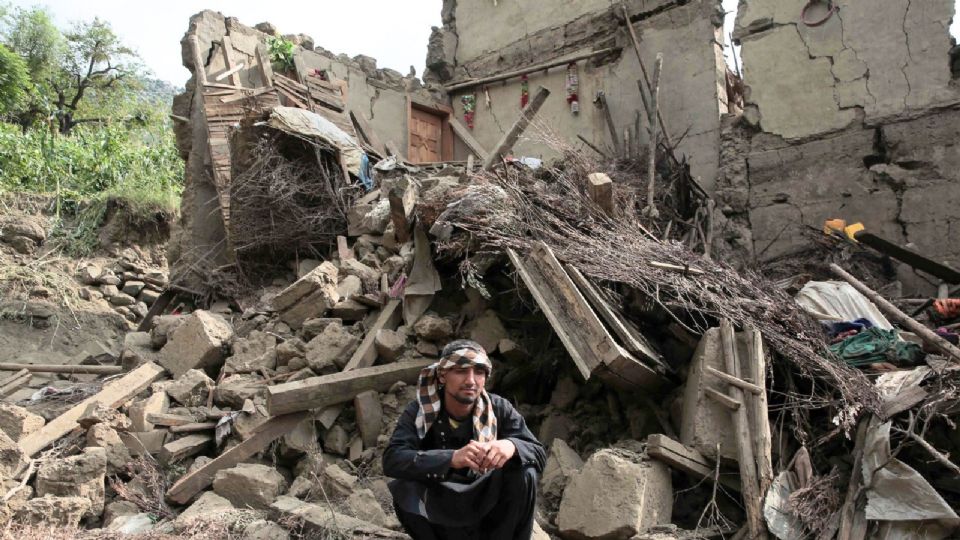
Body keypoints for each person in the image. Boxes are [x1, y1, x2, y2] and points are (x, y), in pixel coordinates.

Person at [383, 339, 545, 539]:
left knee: (525, 472)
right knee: (405, 487)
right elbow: (393, 459)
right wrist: (450, 458)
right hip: (442, 506)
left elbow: (537, 452)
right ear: (443, 376)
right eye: (461, 371)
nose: (471, 380)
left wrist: (509, 445)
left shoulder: (499, 408)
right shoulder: (420, 410)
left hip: (488, 507)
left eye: (478, 372)